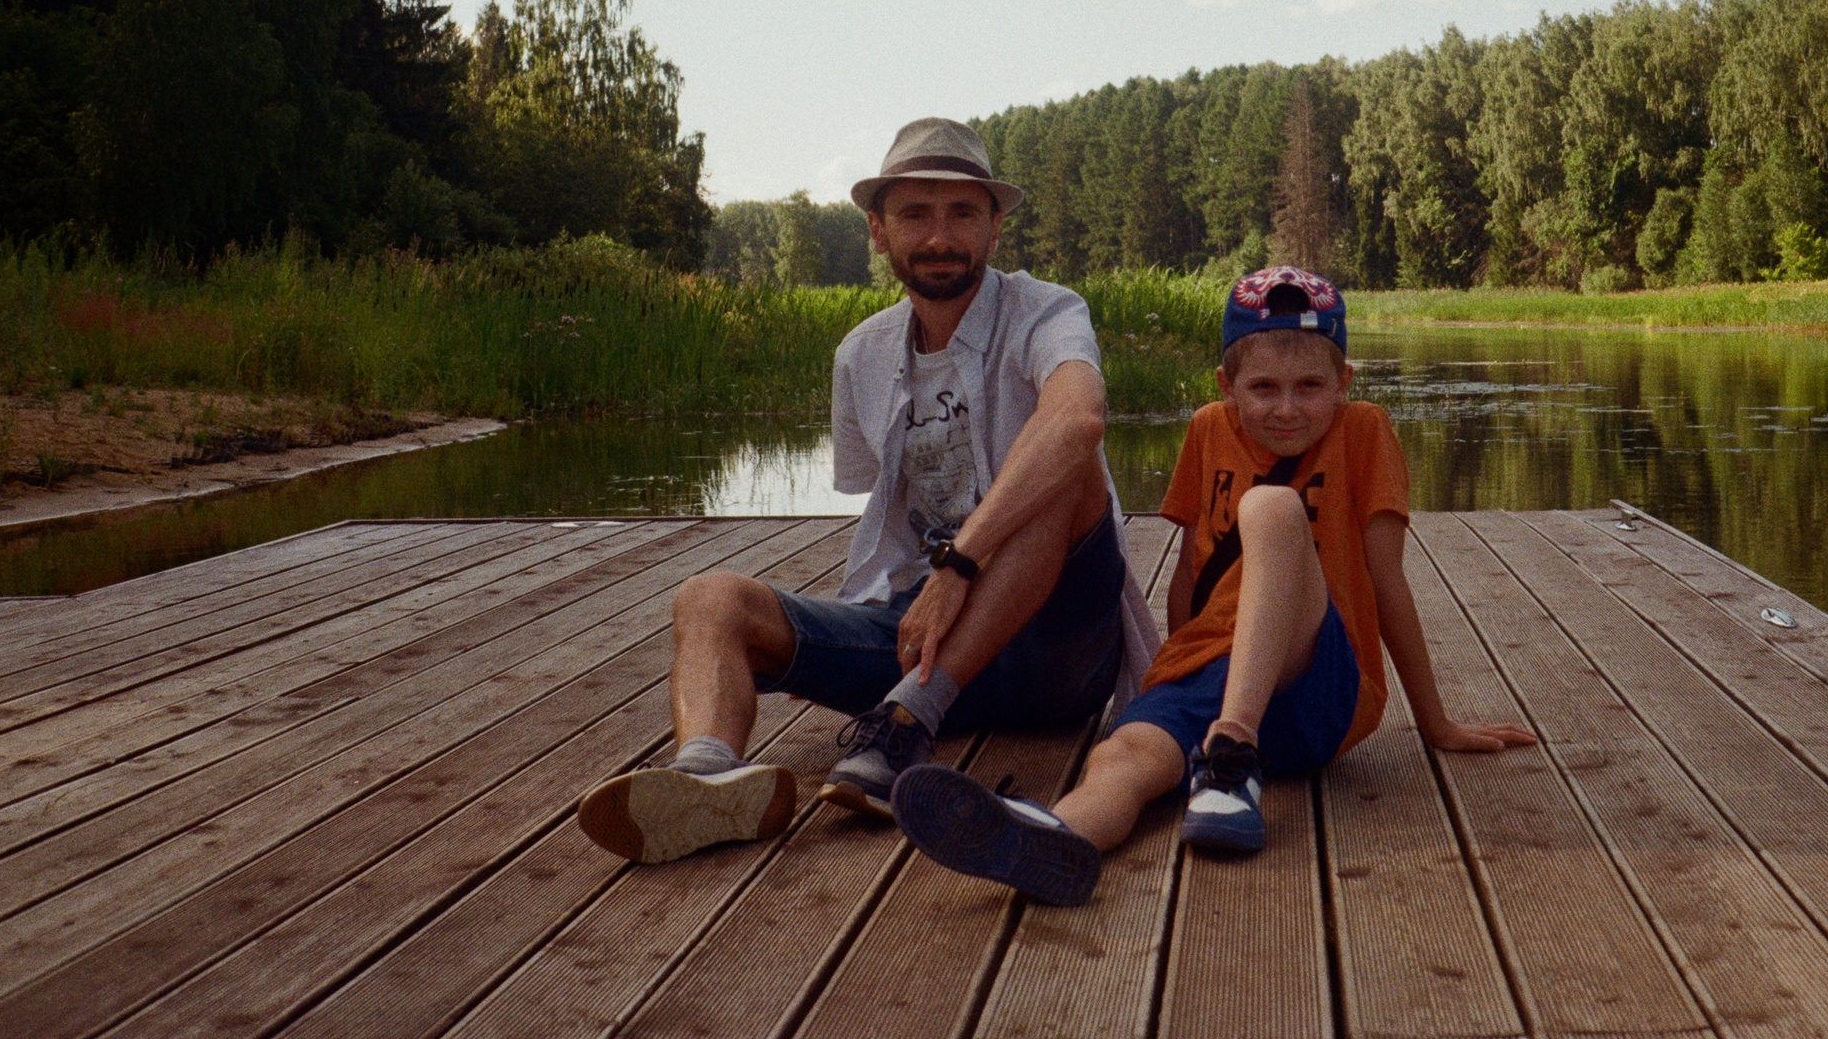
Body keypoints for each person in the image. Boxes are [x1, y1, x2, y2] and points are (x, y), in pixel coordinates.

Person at [576, 118, 1155, 864]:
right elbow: (882, 508)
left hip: (1055, 652)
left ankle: (909, 723)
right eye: (915, 213)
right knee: (708, 597)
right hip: (924, 639)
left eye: (961, 213)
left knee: (1065, 468)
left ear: (995, 227)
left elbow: (1078, 418)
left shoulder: (1047, 311)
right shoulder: (862, 353)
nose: (940, 235)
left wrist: (959, 566)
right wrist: (926, 593)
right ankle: (707, 780)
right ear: (878, 231)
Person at [883, 265, 1536, 906]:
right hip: (1215, 663)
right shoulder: (1205, 429)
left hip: (1319, 680)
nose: (1286, 407)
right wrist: (1165, 682)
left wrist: (1436, 720)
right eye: (1263, 387)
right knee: (1126, 755)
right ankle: (1051, 834)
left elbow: (1387, 580)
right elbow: (1193, 578)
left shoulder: (1363, 431)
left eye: (1310, 385)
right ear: (1227, 385)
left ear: (1344, 382)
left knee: (1272, 508)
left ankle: (1230, 751)